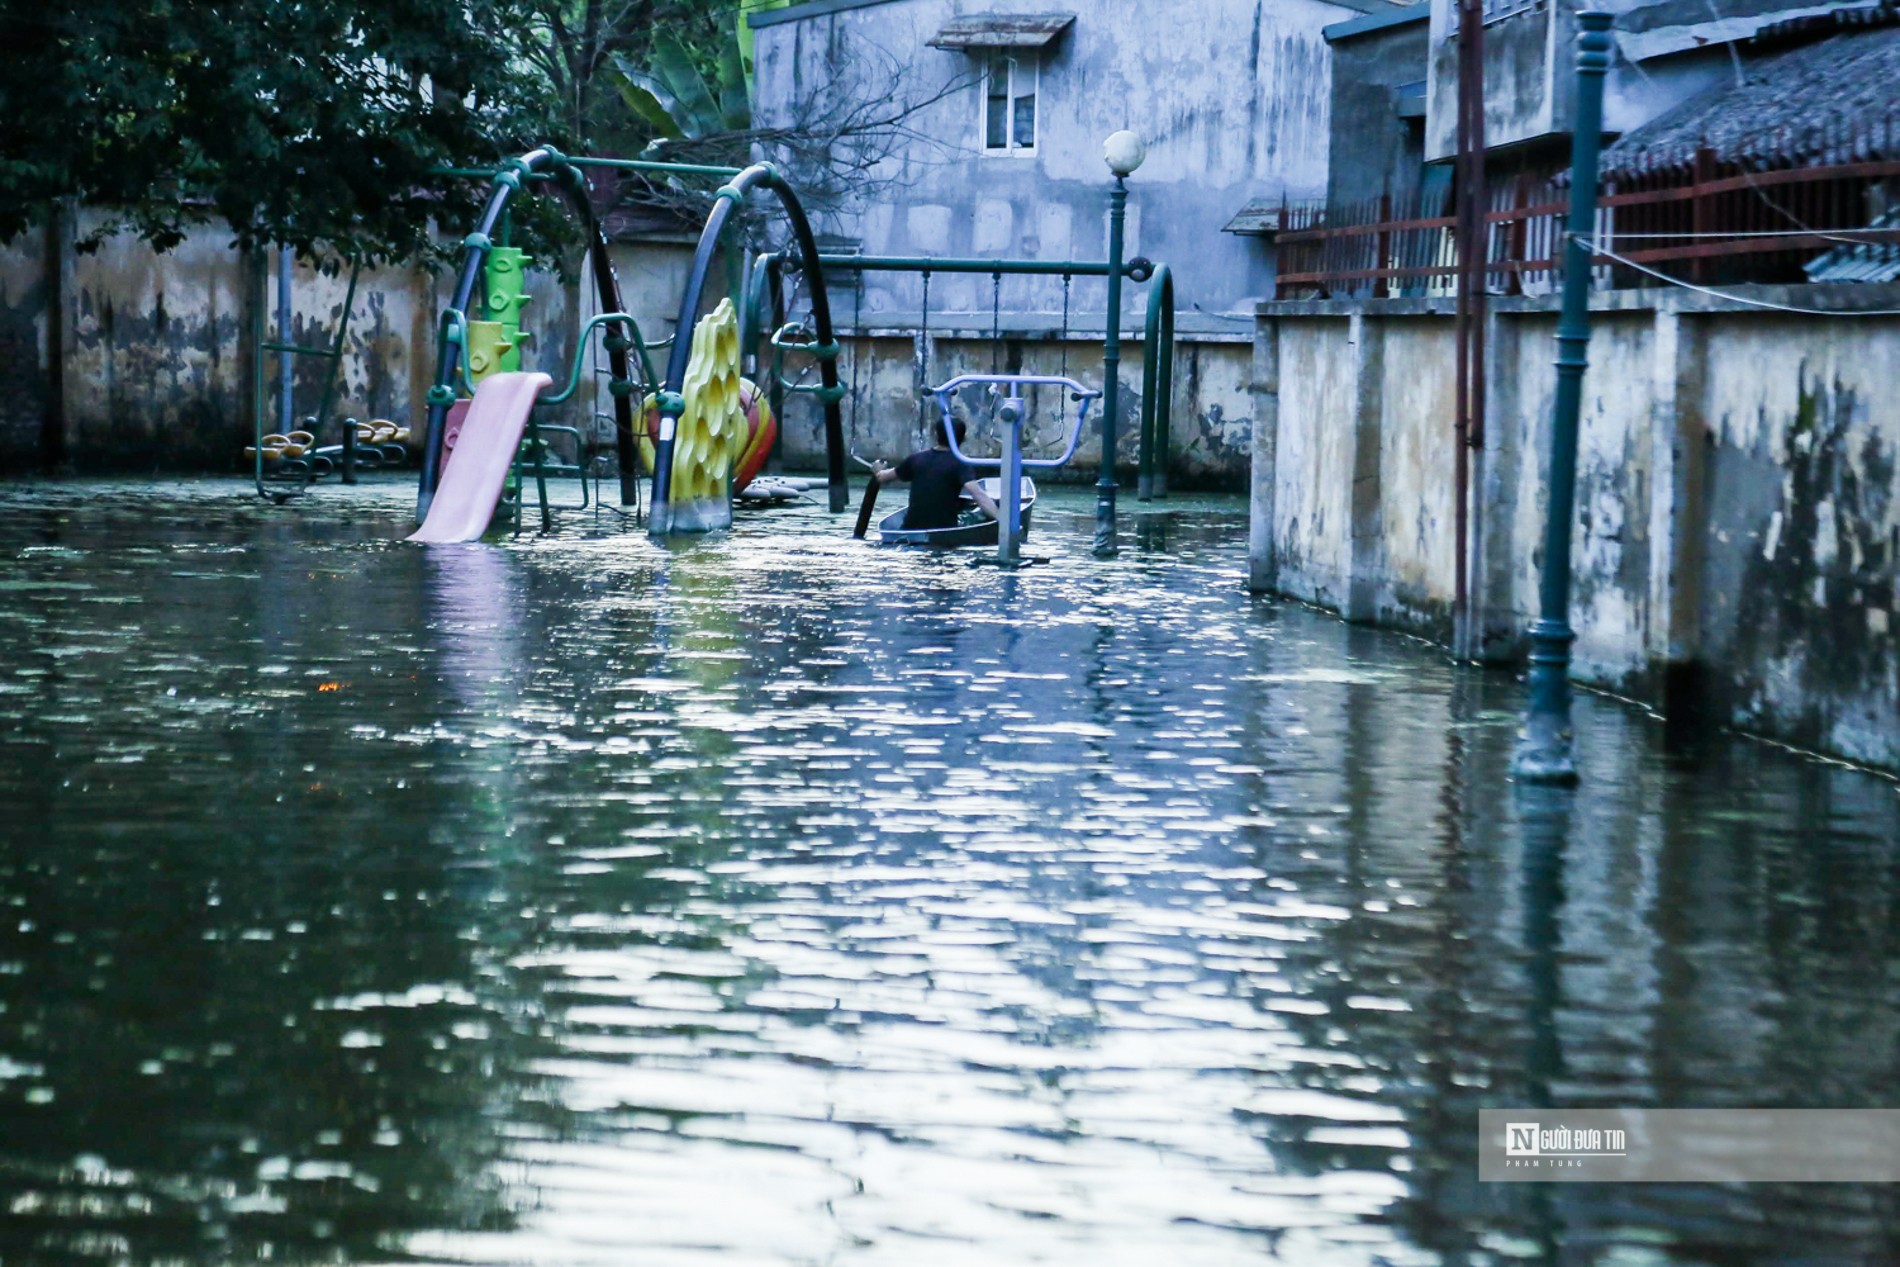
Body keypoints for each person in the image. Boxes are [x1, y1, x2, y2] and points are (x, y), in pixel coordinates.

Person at [873, 417, 1000, 531]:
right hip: (944, 530)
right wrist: (1002, 520)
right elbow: (979, 495)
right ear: (964, 438)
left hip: (910, 528)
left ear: (935, 434)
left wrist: (878, 469)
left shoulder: (916, 459)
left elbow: (882, 477)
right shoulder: (961, 464)